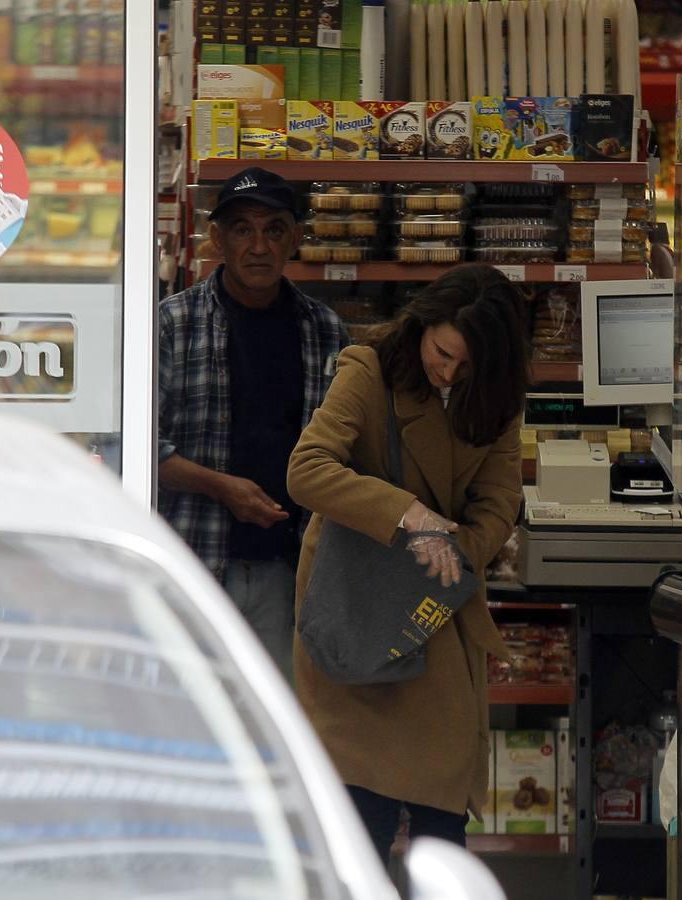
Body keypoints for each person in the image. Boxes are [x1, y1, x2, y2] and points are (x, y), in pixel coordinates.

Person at [286, 265, 529, 861]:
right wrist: (409, 517)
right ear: (422, 324)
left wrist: (451, 553)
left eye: (465, 365)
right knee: (358, 817)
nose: (448, 372)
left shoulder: (499, 396)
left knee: (440, 821)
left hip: (435, 611)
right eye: (442, 352)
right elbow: (307, 469)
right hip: (357, 609)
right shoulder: (368, 370)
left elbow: (499, 504)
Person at [157, 166, 349, 677]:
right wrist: (220, 487)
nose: (258, 246)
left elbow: (348, 454)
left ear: (296, 239)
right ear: (218, 239)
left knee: (274, 729)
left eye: (274, 229)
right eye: (243, 229)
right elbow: (138, 448)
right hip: (192, 563)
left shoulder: (326, 332)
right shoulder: (173, 324)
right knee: (188, 720)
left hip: (288, 573)